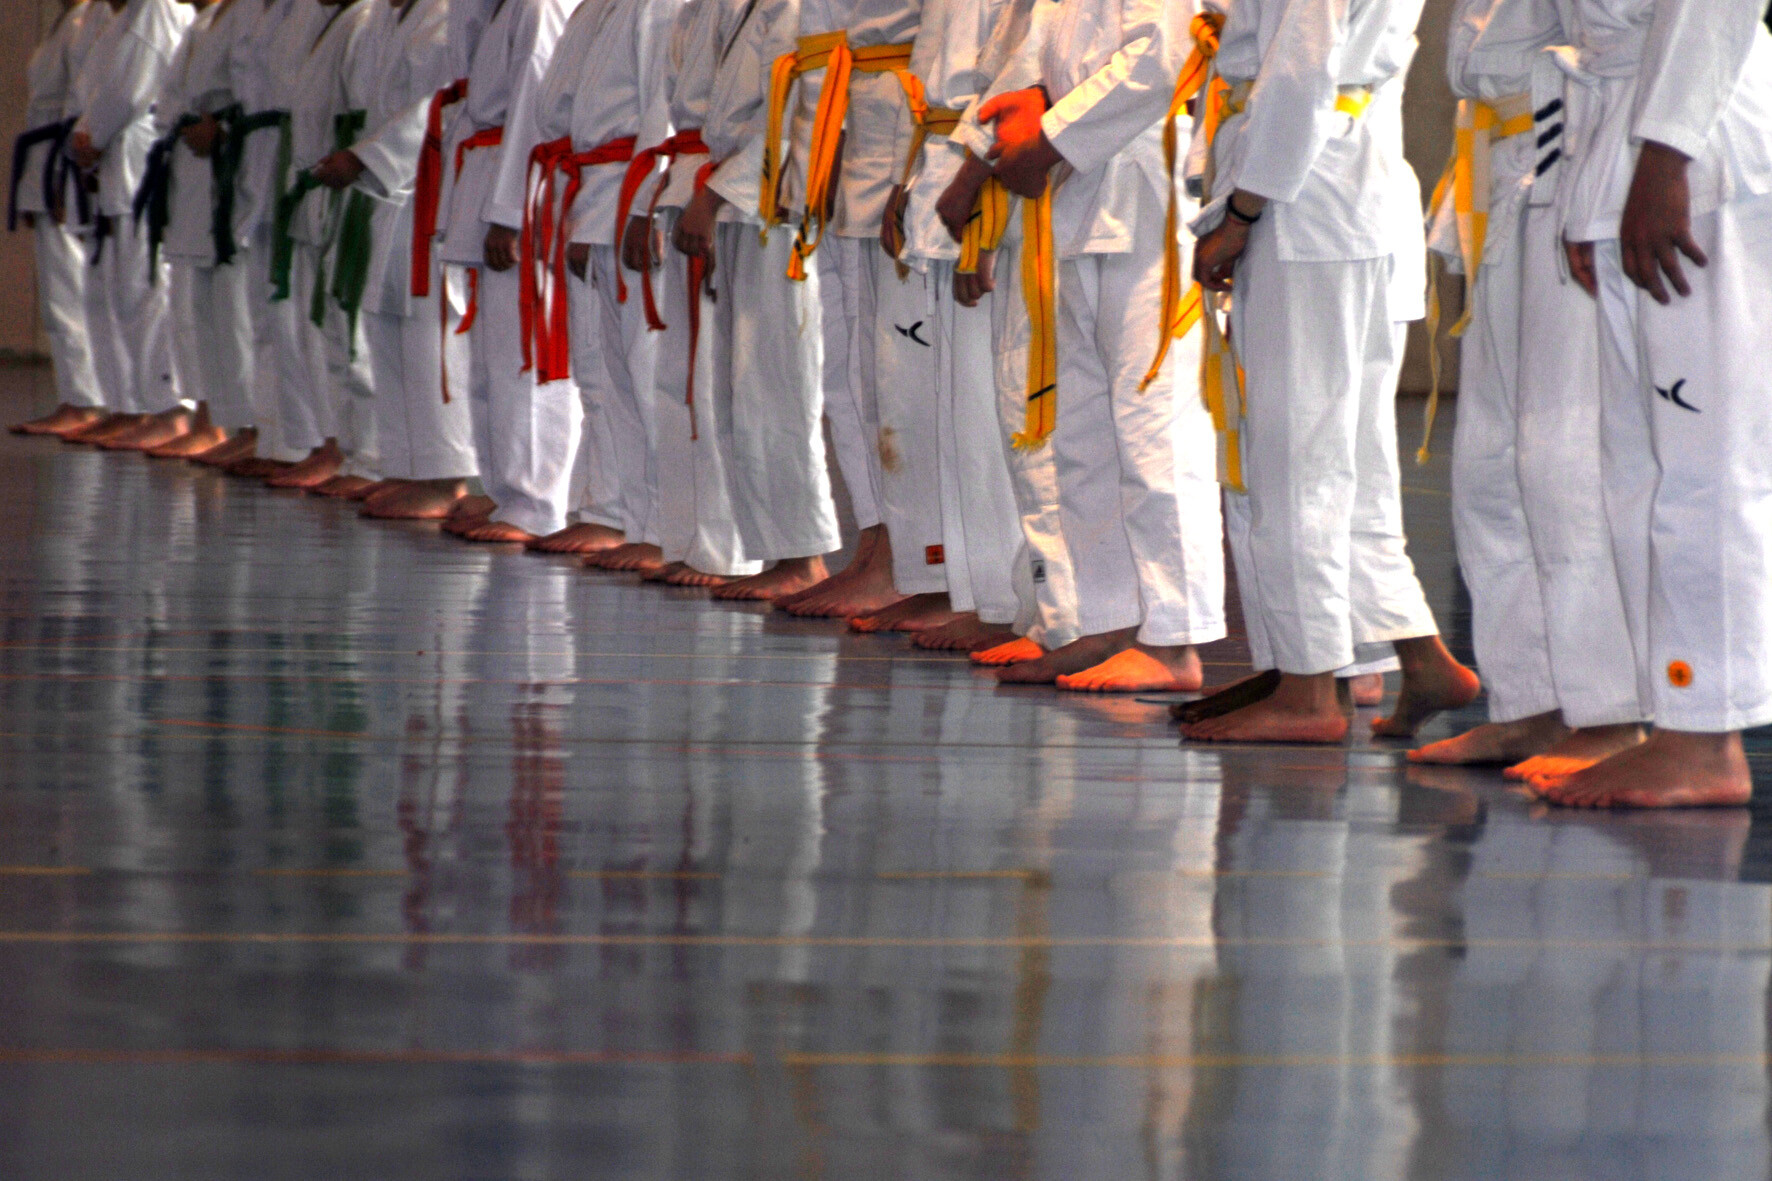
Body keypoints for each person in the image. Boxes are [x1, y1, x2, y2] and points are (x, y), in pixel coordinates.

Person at [1177, 0, 1481, 741]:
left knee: (1296, 462)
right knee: (1351, 468)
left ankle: (1311, 689)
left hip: (1307, 193)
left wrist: (1242, 210)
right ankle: (1416, 656)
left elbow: (1301, 70)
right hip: (1345, 183)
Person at [1528, 0, 1772, 808]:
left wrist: (1666, 158)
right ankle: (1675, 718)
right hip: (1629, 142)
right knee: (1637, 472)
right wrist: (1588, 184)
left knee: (1703, 468)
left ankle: (1708, 738)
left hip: (1697, 146)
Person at [1407, 0, 1646, 777]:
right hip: (1504, 172)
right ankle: (1528, 703)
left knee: (1563, 459)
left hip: (1579, 162)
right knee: (1489, 468)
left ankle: (1608, 712)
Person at [966, 0, 1229, 693]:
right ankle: (1107, 620)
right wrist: (1031, 118)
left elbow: (1159, 58)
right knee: (1083, 432)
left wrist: (1048, 134)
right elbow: (1054, 63)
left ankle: (1175, 640)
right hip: (1079, 188)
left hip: (1145, 185)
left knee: (1154, 426)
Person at [492, 0, 680, 571]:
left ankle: (658, 524)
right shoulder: (595, 9)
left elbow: (662, 112)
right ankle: (611, 510)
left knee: (645, 372)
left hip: (631, 188)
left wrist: (645, 203)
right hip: (590, 190)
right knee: (600, 373)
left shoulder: (659, 7)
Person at [671, 0, 846, 602]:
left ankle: (805, 557)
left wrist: (718, 196)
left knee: (780, 387)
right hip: (745, 198)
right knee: (741, 389)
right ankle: (780, 550)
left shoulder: (798, 6)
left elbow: (797, 111)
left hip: (782, 201)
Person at [876, 0, 1026, 652]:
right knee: (956, 416)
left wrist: (986, 219)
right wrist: (907, 181)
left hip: (990, 179)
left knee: (988, 417)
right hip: (944, 162)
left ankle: (1001, 598)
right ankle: (975, 593)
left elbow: (1015, 91)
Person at [616, 0, 766, 586]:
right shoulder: (695, 8)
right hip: (690, 178)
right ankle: (684, 537)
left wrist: (713, 194)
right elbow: (667, 112)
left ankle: (725, 547)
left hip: (730, 186)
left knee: (716, 383)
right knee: (676, 380)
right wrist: (651, 200)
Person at [312, 0, 479, 522]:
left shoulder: (445, 13)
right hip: (392, 195)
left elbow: (445, 101)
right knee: (390, 331)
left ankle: (446, 476)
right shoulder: (389, 16)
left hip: (426, 183)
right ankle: (406, 466)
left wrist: (368, 156)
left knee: (431, 336)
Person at [435, 0, 586, 545]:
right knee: (490, 357)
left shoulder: (538, 8)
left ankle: (537, 502)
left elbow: (532, 111)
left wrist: (510, 213)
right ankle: (504, 489)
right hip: (486, 170)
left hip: (518, 185)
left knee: (523, 355)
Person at [63, 0, 194, 448]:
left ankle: (169, 407)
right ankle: (130, 403)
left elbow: (127, 91)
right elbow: (98, 91)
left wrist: (92, 134)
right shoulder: (121, 17)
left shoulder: (155, 10)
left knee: (146, 289)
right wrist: (86, 133)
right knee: (116, 293)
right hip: (116, 163)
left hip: (139, 158)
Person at [275, 0, 379, 501]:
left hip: (359, 180)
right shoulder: (336, 21)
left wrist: (357, 159)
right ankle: (336, 442)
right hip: (326, 180)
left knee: (353, 331)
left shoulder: (363, 19)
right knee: (325, 328)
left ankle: (363, 452)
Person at [11, 0, 109, 439]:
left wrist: (59, 178)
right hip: (49, 157)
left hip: (67, 159)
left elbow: (89, 101)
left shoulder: (96, 17)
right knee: (59, 295)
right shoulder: (68, 19)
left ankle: (87, 400)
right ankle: (76, 396)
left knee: (72, 293)